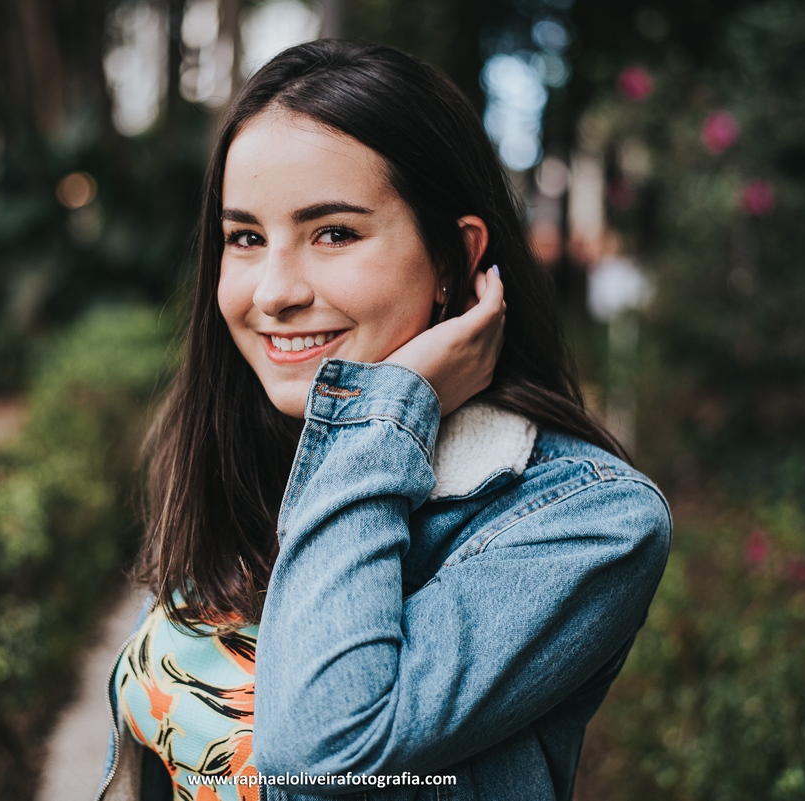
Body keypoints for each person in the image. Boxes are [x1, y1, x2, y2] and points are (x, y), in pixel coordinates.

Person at [95, 40, 671, 801]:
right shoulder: (238, 448)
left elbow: (321, 750)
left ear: (453, 258)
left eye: (333, 232)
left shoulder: (591, 521)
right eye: (245, 237)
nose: (273, 292)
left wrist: (388, 408)